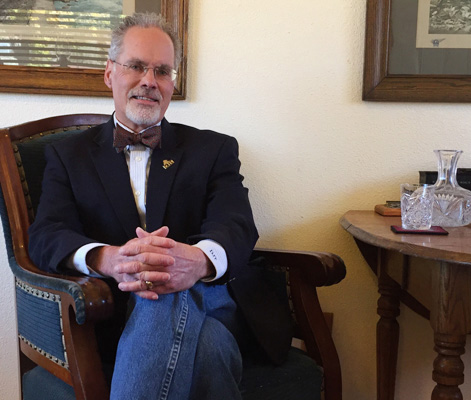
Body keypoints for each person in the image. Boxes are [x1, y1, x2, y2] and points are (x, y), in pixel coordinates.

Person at [28, 12, 291, 400]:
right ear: (109, 74)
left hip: (211, 298)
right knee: (207, 344)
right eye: (136, 66)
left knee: (162, 283)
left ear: (171, 83)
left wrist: (196, 261)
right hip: (112, 313)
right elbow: (47, 233)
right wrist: (110, 259)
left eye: (162, 71)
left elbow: (235, 222)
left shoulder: (214, 149)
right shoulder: (68, 156)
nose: (150, 81)